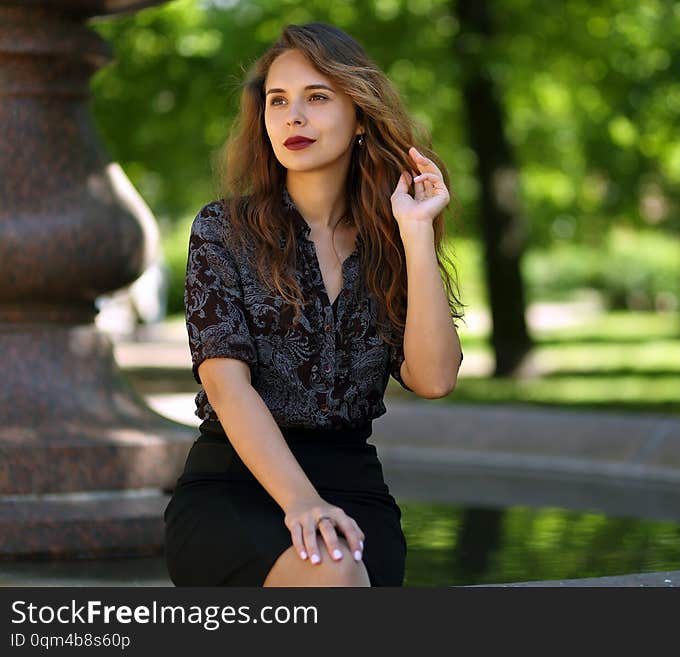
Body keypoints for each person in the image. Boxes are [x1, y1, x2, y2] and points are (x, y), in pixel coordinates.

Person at [163, 22, 464, 587]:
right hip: (235, 487)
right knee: (332, 570)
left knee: (338, 567)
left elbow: (434, 378)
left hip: (354, 488)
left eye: (317, 97)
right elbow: (227, 387)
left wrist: (416, 234)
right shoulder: (221, 230)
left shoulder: (392, 239)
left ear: (359, 116)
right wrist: (302, 504)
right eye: (278, 101)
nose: (292, 116)